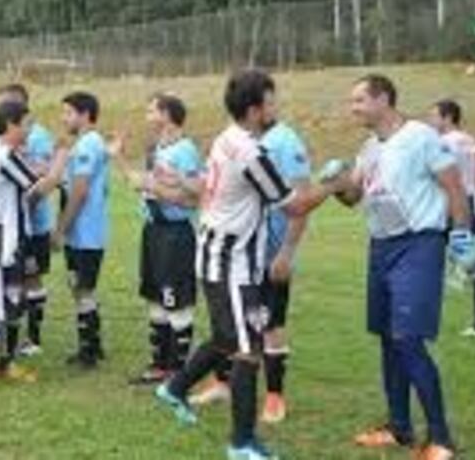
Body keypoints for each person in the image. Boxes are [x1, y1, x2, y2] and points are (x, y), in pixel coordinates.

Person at [154, 69, 341, 460]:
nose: (276, 108)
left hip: (222, 255)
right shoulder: (251, 153)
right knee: (247, 350)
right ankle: (241, 442)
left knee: (228, 339)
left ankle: (173, 389)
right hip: (230, 262)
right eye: (271, 102)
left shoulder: (229, 137)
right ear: (256, 110)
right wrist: (335, 183)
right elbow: (296, 205)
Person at [328, 75, 474, 460]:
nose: (353, 108)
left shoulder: (420, 136)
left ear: (383, 99)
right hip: (381, 246)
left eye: (359, 100)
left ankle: (441, 440)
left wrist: (461, 235)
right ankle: (400, 428)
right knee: (389, 340)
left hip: (418, 245)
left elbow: (454, 186)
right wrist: (338, 183)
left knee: (408, 339)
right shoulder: (369, 146)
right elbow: (353, 196)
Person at [190, 112, 313, 424]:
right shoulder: (238, 138)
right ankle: (222, 382)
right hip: (238, 254)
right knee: (232, 323)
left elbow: (302, 201)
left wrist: (286, 252)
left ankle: (274, 395)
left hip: (270, 253)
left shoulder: (286, 141)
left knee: (268, 324)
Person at [0, 99, 67, 381]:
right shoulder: (2, 154)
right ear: (11, 124)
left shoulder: (4, 151)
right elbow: (40, 188)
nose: (29, 130)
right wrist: (61, 157)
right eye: (26, 124)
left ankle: (6, 363)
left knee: (13, 301)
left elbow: (31, 178)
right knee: (2, 306)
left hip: (9, 236)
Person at [113, 94, 202, 385]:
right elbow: (142, 185)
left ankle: (180, 372)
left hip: (175, 235)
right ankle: (159, 364)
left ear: (166, 114)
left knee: (176, 301)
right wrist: (119, 157)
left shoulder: (185, 149)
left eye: (151, 109)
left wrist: (156, 187)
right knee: (155, 297)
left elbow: (192, 200)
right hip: (153, 231)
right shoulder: (157, 148)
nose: (147, 114)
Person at [0, 84, 56, 357]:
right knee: (11, 280)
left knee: (31, 278)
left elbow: (42, 179)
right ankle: (5, 331)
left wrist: (27, 206)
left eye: (8, 104)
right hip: (10, 222)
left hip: (33, 223)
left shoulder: (38, 135)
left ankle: (34, 337)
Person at [55, 91, 110, 369]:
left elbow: (80, 190)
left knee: (83, 288)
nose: (64, 118)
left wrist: (61, 228)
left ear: (85, 114)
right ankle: (94, 345)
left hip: (86, 233)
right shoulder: (84, 143)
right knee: (79, 287)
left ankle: (88, 351)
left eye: (68, 112)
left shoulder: (89, 144)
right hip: (81, 233)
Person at [428, 99, 475, 338]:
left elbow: (439, 176)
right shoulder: (469, 140)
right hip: (474, 204)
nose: (431, 121)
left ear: (448, 117)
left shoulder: (444, 142)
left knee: (431, 258)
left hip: (455, 208)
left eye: (434, 116)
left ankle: (424, 315)